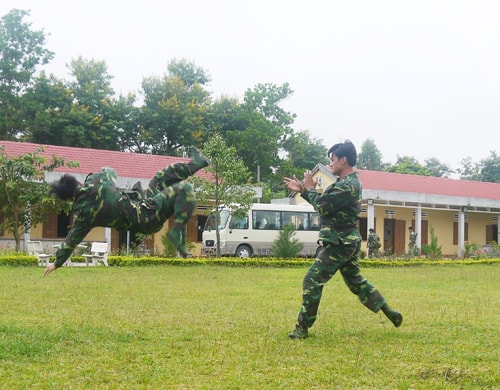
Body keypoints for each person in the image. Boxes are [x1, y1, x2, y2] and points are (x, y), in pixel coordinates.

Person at [284, 140, 402, 339]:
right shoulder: (345, 184)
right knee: (356, 282)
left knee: (312, 280)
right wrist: (306, 190)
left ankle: (302, 328)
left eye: (333, 159)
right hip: (344, 242)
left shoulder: (349, 186)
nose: (330, 164)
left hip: (339, 243)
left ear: (344, 160)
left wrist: (307, 189)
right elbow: (326, 204)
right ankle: (389, 312)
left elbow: (323, 205)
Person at [43, 147, 209, 277]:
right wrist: (94, 177)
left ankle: (197, 163)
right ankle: (177, 232)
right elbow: (110, 171)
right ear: (78, 182)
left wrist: (56, 263)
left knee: (159, 179)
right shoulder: (96, 181)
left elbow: (71, 240)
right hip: (148, 214)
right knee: (182, 187)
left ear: (69, 199)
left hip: (144, 209)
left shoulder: (82, 215)